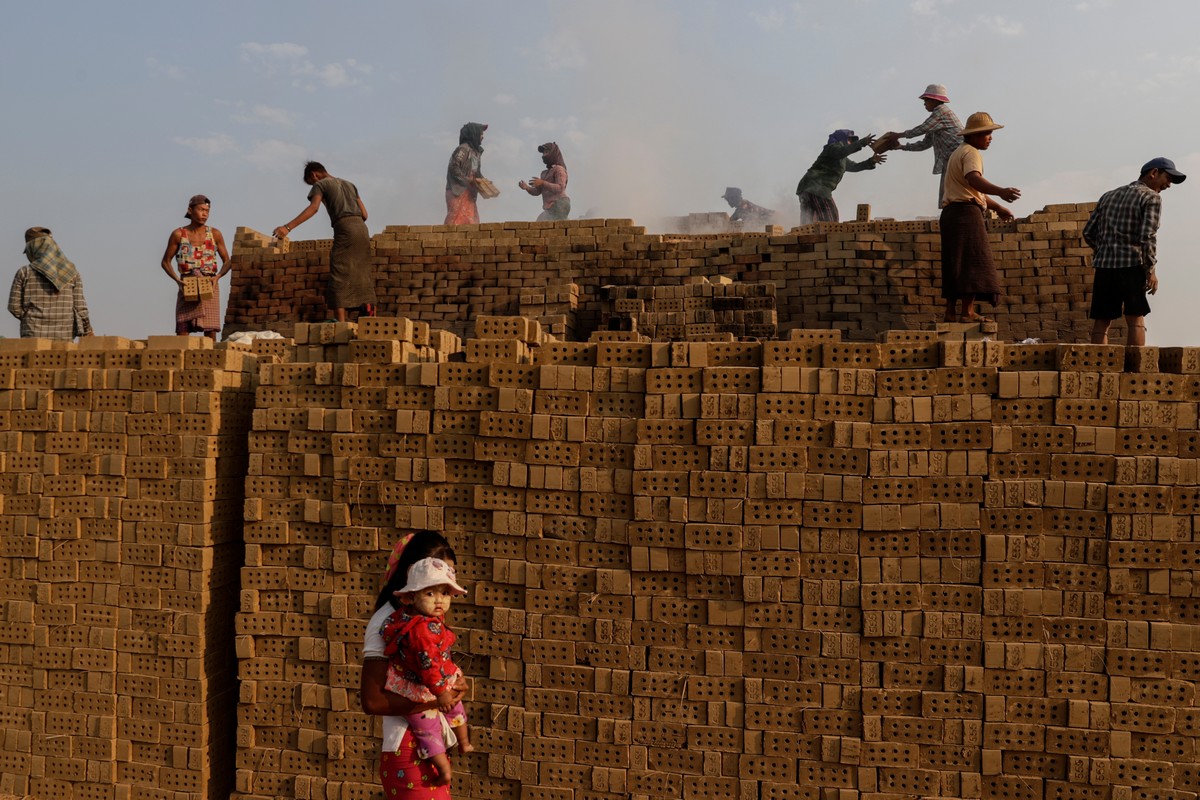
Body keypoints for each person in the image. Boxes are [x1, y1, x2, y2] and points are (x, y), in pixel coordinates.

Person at [361, 531, 469, 800]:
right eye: (435, 585)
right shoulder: (389, 622)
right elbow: (372, 701)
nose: (443, 593)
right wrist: (439, 699)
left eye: (449, 581)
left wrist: (456, 684)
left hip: (428, 745)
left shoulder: (422, 619)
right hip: (407, 749)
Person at [381, 557, 473, 785]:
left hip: (436, 682)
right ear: (411, 597)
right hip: (419, 688)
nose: (439, 600)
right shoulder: (420, 630)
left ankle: (462, 745)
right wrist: (442, 691)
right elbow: (428, 665)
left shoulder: (423, 619)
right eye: (430, 594)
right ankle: (446, 767)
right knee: (428, 728)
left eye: (444, 593)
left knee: (449, 713)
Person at [1083, 157, 1185, 347]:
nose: (1168, 185)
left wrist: (1104, 250)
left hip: (1104, 267)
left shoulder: (1108, 195)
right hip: (1131, 265)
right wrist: (1151, 270)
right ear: (1153, 173)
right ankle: (1136, 370)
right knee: (1135, 318)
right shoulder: (1151, 197)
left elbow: (1088, 232)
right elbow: (1147, 236)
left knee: (1102, 320)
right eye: (1168, 178)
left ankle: (1099, 368)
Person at [939, 111, 1020, 324]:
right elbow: (974, 180)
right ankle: (968, 312)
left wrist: (999, 207)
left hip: (951, 214)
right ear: (973, 136)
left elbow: (974, 191)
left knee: (954, 263)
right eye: (986, 134)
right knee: (972, 261)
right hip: (966, 214)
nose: (990, 138)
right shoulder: (972, 153)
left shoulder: (958, 152)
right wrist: (1001, 191)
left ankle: (950, 312)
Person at [273, 162, 375, 322]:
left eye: (311, 182)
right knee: (362, 273)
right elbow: (365, 214)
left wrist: (288, 227)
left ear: (314, 175)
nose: (313, 184)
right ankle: (369, 318)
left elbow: (313, 208)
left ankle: (341, 323)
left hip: (345, 228)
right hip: (362, 229)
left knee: (339, 271)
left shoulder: (321, 184)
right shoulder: (350, 185)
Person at [160, 195, 231, 339]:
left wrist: (217, 277)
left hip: (209, 284)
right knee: (182, 328)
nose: (205, 214)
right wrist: (177, 281)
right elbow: (165, 261)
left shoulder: (215, 234)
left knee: (210, 329)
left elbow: (227, 261)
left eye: (207, 211)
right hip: (187, 284)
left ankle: (210, 358)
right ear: (190, 210)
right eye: (201, 210)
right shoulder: (179, 234)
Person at [879, 84, 963, 205]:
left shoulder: (941, 113)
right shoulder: (936, 121)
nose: (924, 104)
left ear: (935, 100)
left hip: (957, 157)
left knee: (954, 197)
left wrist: (898, 135)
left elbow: (921, 129)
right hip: (950, 159)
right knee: (948, 197)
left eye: (926, 100)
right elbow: (925, 144)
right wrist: (901, 147)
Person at [8, 227, 93, 340]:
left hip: (32, 337)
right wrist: (88, 331)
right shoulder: (73, 274)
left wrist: (30, 318)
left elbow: (14, 307)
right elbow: (81, 309)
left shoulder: (24, 272)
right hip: (64, 336)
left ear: (33, 249)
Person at [795, 131, 885, 224]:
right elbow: (842, 151)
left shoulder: (843, 160)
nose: (850, 143)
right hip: (815, 188)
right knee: (830, 220)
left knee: (809, 223)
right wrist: (862, 143)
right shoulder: (832, 148)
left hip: (810, 189)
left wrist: (871, 161)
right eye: (849, 140)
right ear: (842, 139)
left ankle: (806, 238)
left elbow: (855, 166)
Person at [445, 123, 488, 225]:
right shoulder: (463, 149)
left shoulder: (476, 152)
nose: (482, 137)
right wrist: (469, 180)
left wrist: (484, 181)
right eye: (481, 134)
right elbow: (453, 168)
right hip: (457, 191)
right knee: (456, 220)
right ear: (474, 134)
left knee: (470, 220)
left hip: (470, 194)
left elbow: (476, 173)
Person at [519, 142, 571, 221]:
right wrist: (526, 187)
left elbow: (560, 188)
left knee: (548, 224)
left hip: (560, 204)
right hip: (550, 207)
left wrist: (543, 182)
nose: (544, 155)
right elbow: (537, 191)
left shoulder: (559, 169)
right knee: (540, 222)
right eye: (543, 153)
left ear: (553, 153)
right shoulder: (544, 173)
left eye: (546, 152)